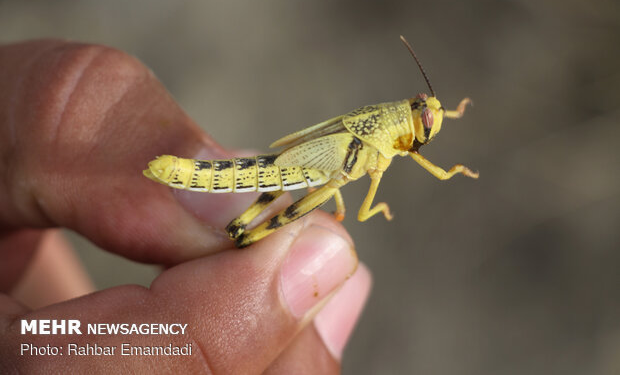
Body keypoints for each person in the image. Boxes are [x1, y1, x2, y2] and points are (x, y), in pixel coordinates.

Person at [0, 40, 371, 374]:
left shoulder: (368, 139)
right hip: (261, 174)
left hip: (294, 171)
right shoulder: (369, 144)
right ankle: (246, 241)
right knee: (284, 217)